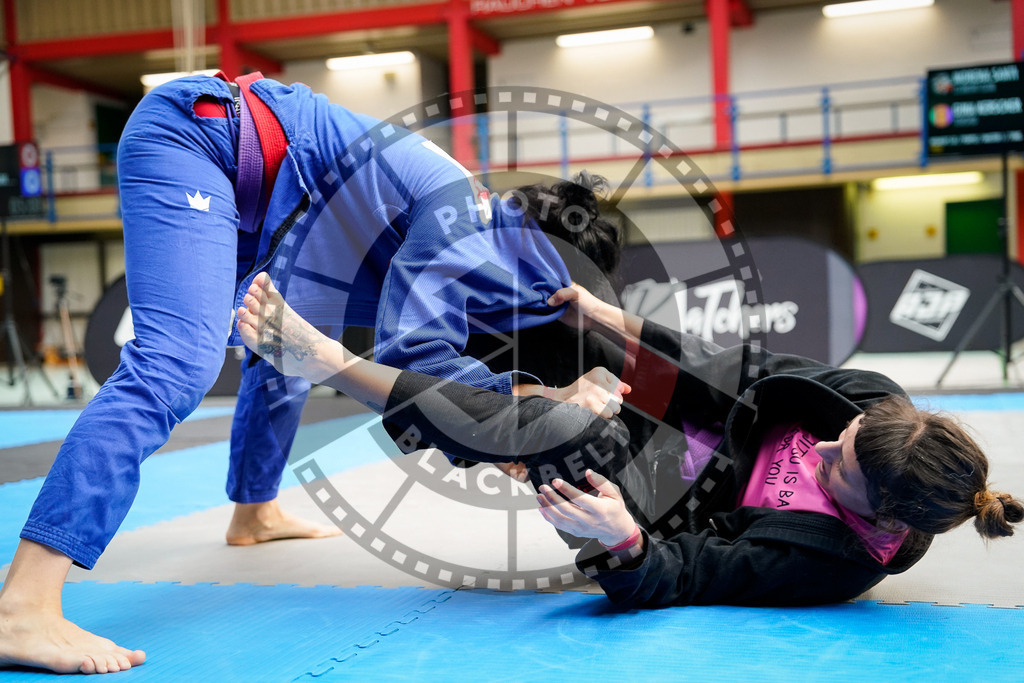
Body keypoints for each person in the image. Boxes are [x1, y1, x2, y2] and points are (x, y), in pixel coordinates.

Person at [0, 72, 622, 675]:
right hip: (201, 138)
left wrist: (509, 427)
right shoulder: (458, 215)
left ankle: (253, 511)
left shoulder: (474, 229)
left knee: (288, 346)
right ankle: (23, 605)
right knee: (176, 366)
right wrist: (542, 397)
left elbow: (433, 387)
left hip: (266, 198)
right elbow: (415, 368)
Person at [232, 272, 1024, 609]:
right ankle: (398, 327)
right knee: (557, 311)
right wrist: (608, 322)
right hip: (689, 412)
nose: (819, 449)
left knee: (562, 427)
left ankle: (330, 363)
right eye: (839, 436)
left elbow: (691, 572)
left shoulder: (834, 562)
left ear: (883, 517)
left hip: (656, 497)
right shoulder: (874, 403)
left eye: (836, 466)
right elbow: (732, 367)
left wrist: (624, 544)